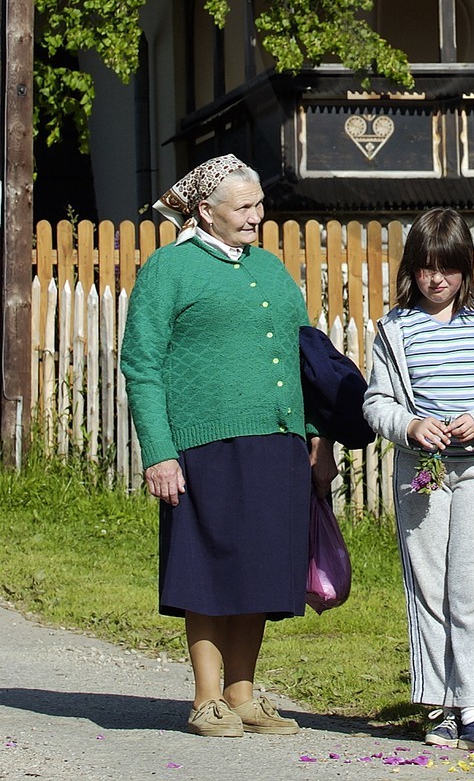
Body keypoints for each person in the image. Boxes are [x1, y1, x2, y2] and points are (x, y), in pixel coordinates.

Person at [121, 155, 336, 738]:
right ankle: (207, 697)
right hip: (204, 446)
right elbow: (141, 364)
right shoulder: (169, 269)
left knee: (262, 568)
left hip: (278, 442)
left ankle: (243, 692)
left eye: (259, 204)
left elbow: (308, 362)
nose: (255, 215)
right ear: (205, 211)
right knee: (210, 568)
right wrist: (160, 452)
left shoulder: (271, 271)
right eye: (242, 207)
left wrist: (318, 440)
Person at [362, 207, 474, 756]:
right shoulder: (394, 329)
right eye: (425, 269)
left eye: (448, 269)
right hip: (424, 471)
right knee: (430, 581)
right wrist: (411, 425)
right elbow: (377, 401)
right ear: (411, 268)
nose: (436, 280)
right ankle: (440, 703)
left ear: (466, 268)